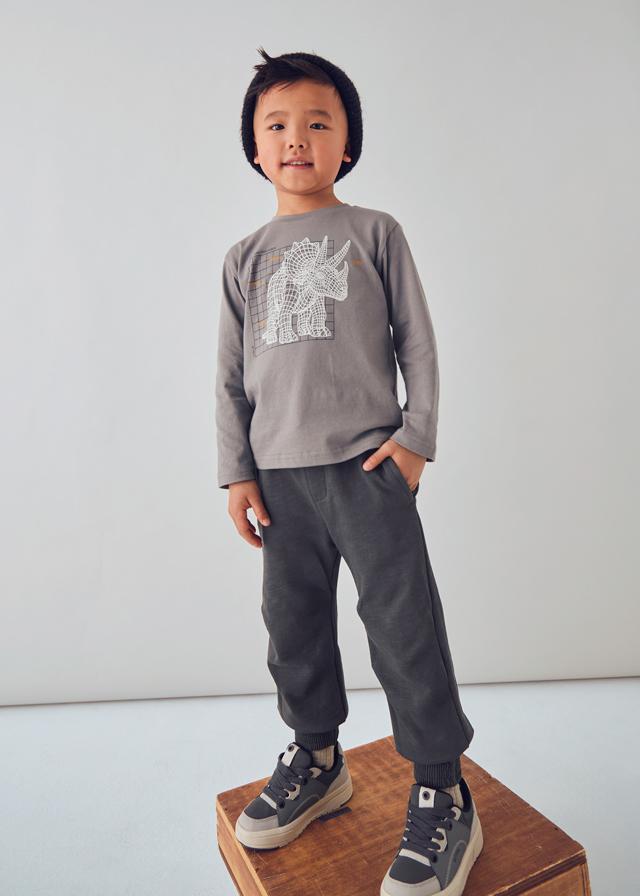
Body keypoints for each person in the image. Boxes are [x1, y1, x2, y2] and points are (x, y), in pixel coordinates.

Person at [215, 47, 483, 895]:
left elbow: (418, 342)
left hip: (368, 469)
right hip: (280, 479)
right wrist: (237, 472)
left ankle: (443, 789)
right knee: (291, 626)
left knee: (404, 628)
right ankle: (318, 759)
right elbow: (229, 377)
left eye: (318, 123)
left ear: (348, 144)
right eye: (277, 125)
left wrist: (416, 440)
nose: (297, 138)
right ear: (255, 147)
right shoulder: (244, 256)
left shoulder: (375, 233)